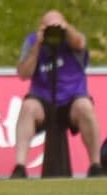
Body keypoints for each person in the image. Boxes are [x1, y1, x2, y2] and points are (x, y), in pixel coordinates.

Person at [10, 10, 103, 179]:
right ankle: (20, 166)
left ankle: (95, 165)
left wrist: (65, 29)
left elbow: (80, 43)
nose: (53, 31)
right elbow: (23, 73)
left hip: (72, 97)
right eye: (48, 26)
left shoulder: (72, 39)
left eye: (57, 25)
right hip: (42, 98)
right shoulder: (32, 41)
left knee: (85, 107)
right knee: (28, 107)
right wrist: (37, 45)